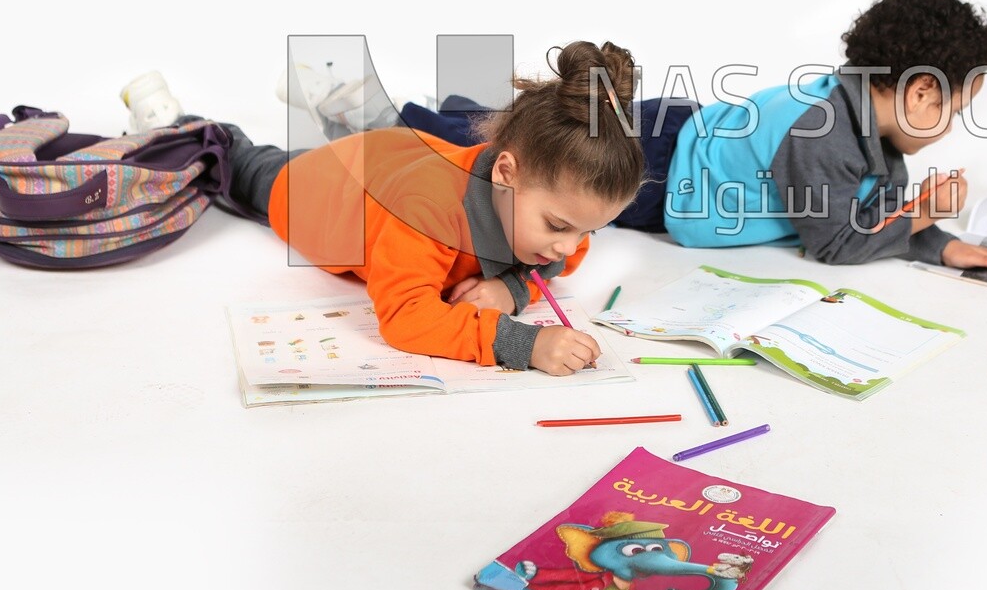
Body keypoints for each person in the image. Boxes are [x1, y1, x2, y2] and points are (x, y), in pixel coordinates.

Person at [391, 0, 987, 277]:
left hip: (682, 134)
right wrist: (919, 216)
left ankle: (448, 107)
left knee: (515, 134)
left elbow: (873, 213)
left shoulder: (867, 131)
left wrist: (938, 242)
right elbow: (837, 243)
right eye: (956, 110)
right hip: (664, 171)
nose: (952, 127)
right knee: (502, 151)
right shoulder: (823, 133)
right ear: (920, 93)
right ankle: (400, 123)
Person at [123, 40, 645, 377]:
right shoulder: (424, 214)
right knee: (241, 165)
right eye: (558, 226)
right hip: (317, 191)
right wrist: (522, 343)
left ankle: (339, 106)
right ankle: (170, 120)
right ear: (504, 173)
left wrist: (510, 287)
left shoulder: (548, 215)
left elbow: (559, 260)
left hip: (393, 156)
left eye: (587, 231)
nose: (569, 247)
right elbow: (405, 319)